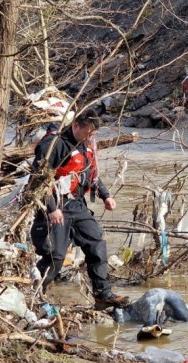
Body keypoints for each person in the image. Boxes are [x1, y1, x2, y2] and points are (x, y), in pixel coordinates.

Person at [30, 109, 129, 309]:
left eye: (94, 134)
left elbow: (91, 176)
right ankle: (34, 295)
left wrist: (106, 195)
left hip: (76, 205)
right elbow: (38, 179)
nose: (91, 137)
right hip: (55, 204)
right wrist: (51, 208)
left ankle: (103, 294)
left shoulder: (85, 147)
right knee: (56, 256)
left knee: (96, 242)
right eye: (89, 133)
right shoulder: (53, 145)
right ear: (76, 125)